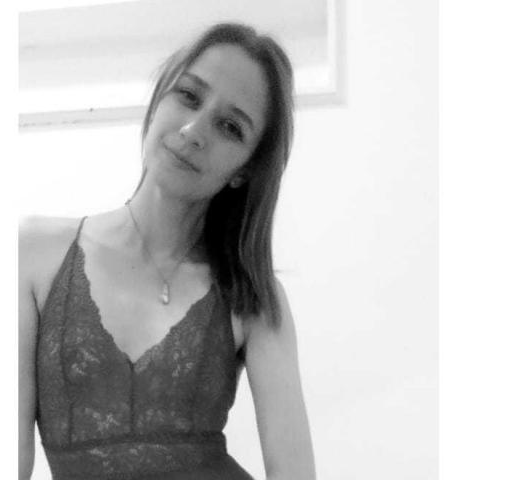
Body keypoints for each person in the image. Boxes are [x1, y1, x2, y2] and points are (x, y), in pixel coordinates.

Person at [19, 22, 315, 480]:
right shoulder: (34, 254)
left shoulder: (254, 298)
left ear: (244, 170)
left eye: (230, 127)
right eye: (189, 96)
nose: (194, 131)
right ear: (159, 99)